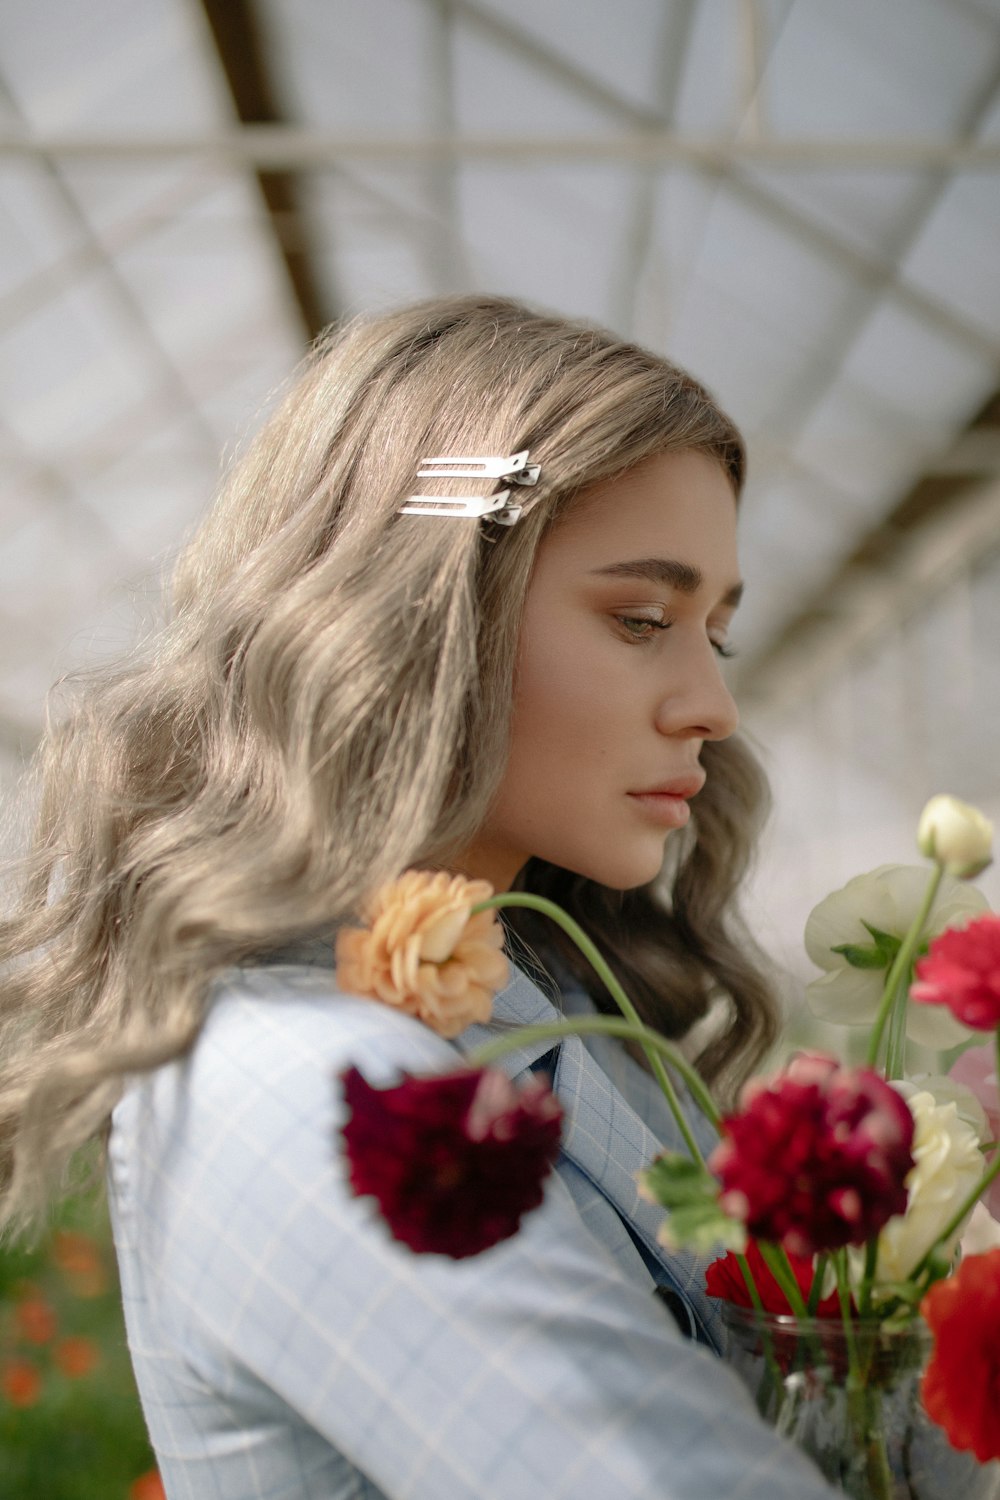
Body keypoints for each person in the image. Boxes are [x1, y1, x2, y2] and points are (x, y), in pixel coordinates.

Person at [0, 295, 839, 1497]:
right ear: (420, 611)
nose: (712, 703)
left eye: (716, 631)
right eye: (641, 618)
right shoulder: (305, 1091)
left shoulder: (542, 986)